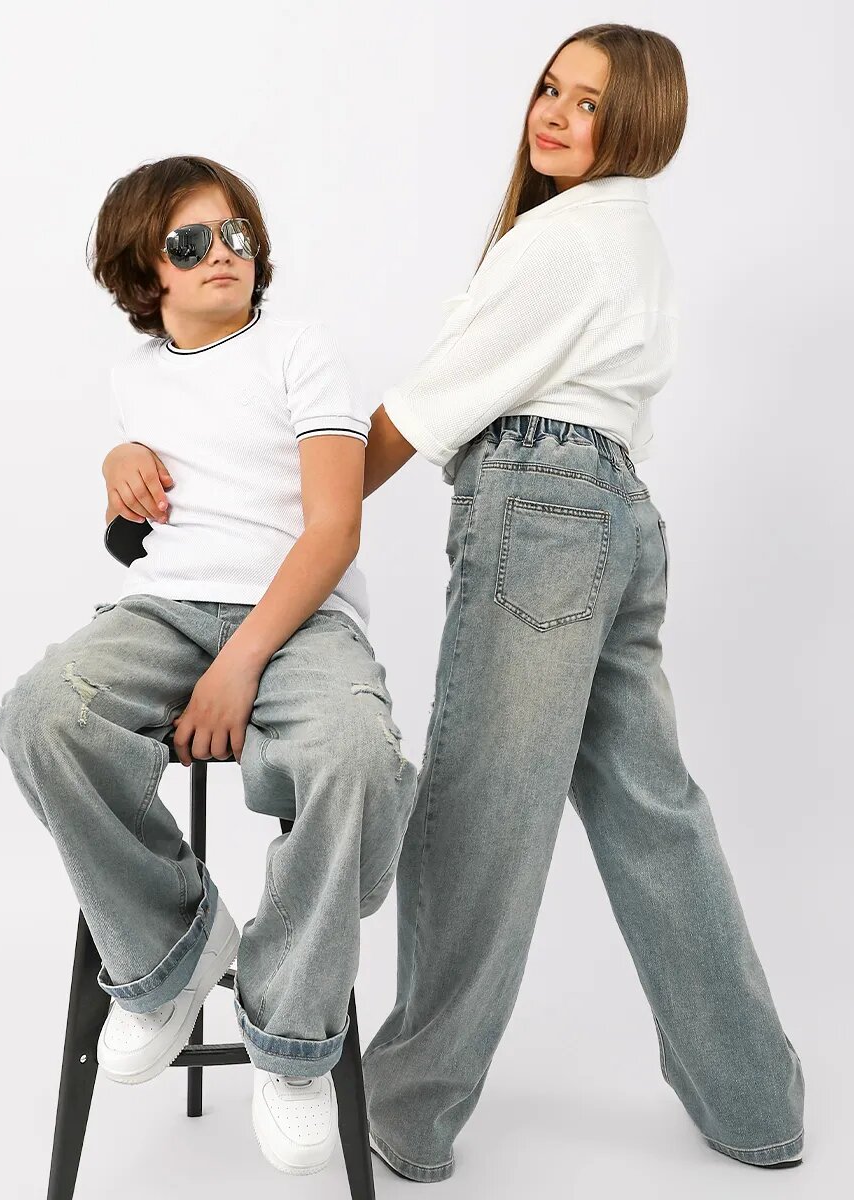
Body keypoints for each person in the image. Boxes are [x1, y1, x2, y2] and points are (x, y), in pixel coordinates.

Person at [356, 24, 805, 1182]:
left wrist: (305, 520)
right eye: (549, 88)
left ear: (638, 121)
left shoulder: (563, 241)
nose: (553, 114)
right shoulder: (628, 235)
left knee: (480, 814)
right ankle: (756, 1102)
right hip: (615, 518)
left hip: (545, 511)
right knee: (654, 812)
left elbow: (422, 409)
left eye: (589, 102)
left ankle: (408, 1108)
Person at [0, 154, 418, 1178]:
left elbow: (334, 527)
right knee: (44, 714)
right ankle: (172, 954)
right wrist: (117, 466)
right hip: (167, 609)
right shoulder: (134, 378)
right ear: (148, 270)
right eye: (191, 242)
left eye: (237, 235)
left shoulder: (299, 349)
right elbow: (152, 527)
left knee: (356, 756)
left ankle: (293, 1033)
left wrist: (242, 665)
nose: (223, 252)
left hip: (301, 619)